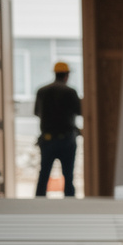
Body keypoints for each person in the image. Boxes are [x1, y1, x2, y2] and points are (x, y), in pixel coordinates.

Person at [33, 61, 82, 198]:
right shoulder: (70, 92)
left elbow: (37, 112)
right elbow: (79, 111)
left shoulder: (42, 91)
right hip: (66, 139)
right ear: (66, 75)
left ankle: (38, 205)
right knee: (68, 176)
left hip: (47, 139)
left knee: (43, 175)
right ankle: (70, 206)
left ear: (55, 74)